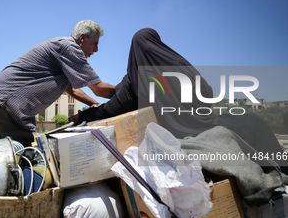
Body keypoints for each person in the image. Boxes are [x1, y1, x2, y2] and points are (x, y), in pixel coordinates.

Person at [0, 20, 115, 218]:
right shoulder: (69, 47)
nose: (96, 50)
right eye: (95, 43)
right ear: (82, 38)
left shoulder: (60, 50)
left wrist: (92, 103)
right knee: (19, 161)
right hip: (8, 107)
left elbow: (71, 90)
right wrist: (129, 92)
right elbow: (98, 88)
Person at [73, 28, 284, 157]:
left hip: (169, 135)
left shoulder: (133, 82)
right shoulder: (178, 64)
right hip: (204, 124)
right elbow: (208, 93)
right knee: (253, 123)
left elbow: (110, 107)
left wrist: (83, 115)